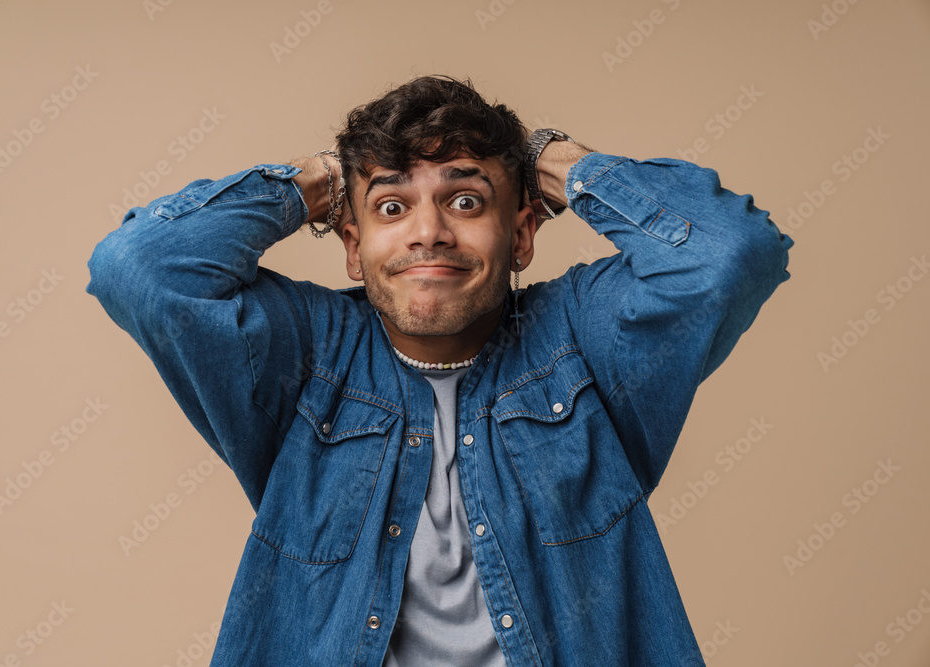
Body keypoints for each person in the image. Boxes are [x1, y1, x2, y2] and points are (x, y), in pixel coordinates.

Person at [86, 74, 793, 666]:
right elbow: (139, 267)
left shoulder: (583, 342)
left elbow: (729, 255)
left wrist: (554, 162)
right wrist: (320, 181)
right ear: (353, 248)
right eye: (393, 205)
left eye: (465, 200)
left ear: (519, 234)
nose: (429, 230)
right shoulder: (305, 358)